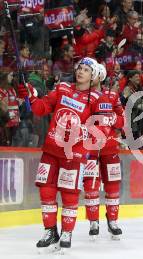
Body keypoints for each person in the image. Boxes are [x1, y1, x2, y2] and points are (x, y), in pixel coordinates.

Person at [17, 57, 114, 251]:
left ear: (93, 75)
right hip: (51, 149)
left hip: (74, 154)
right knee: (46, 190)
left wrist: (83, 132)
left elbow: (104, 130)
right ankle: (50, 230)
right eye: (80, 68)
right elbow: (42, 108)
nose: (80, 72)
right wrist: (31, 97)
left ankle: (67, 232)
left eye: (86, 70)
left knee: (70, 194)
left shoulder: (98, 99)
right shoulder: (62, 88)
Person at [83, 63, 125, 240]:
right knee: (91, 184)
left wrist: (114, 119)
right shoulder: (82, 96)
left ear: (99, 76)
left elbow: (122, 120)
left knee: (113, 184)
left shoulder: (113, 94)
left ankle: (113, 220)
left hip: (109, 147)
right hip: (89, 148)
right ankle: (94, 222)